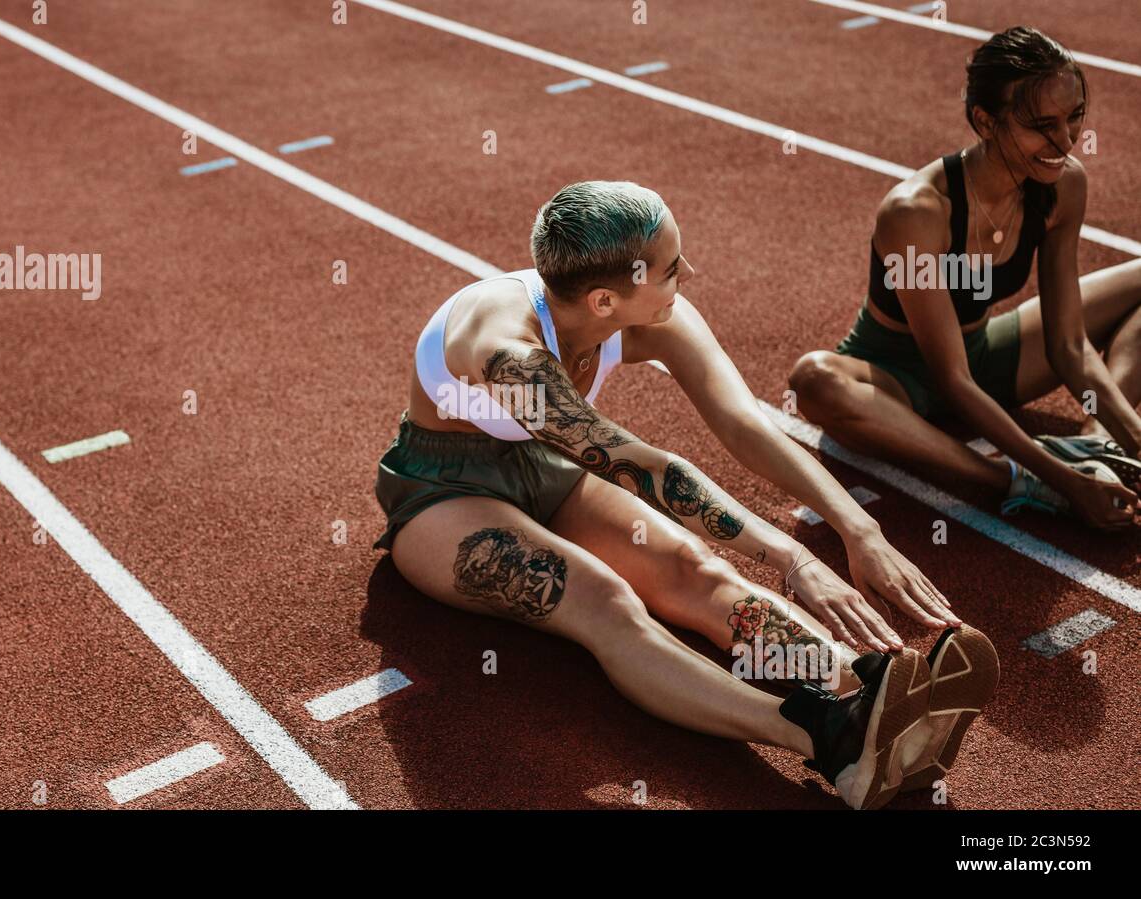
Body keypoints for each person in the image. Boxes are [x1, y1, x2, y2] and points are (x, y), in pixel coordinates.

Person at [372, 180, 995, 808]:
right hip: (441, 491)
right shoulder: (505, 349)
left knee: (692, 567)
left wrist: (858, 528)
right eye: (672, 268)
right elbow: (645, 468)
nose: (688, 273)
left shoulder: (646, 312)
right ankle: (832, 740)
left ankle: (859, 688)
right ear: (605, 299)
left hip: (546, 465)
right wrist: (794, 559)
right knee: (606, 601)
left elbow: (745, 424)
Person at [789, 26, 1141, 528]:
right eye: (1042, 125)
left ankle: (1095, 443)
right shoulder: (916, 211)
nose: (1064, 141)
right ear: (985, 120)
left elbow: (1067, 344)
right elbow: (951, 380)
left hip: (985, 356)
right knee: (814, 382)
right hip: (895, 381)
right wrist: (1063, 482)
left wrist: (1132, 438)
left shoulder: (1065, 184)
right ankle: (1012, 478)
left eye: (1075, 117)